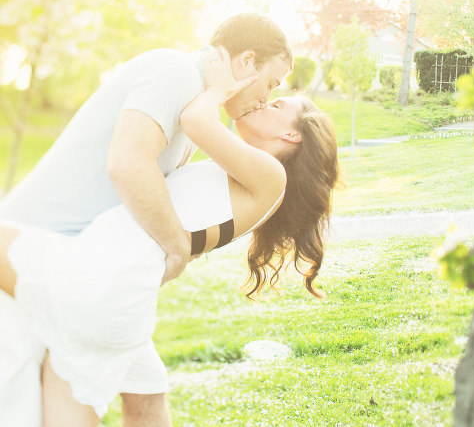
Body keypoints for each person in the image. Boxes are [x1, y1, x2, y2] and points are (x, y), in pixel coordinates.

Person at [0, 48, 340, 427]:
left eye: (277, 103)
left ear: (292, 133)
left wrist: (217, 89)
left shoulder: (271, 175)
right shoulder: (234, 174)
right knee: (141, 395)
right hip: (116, 297)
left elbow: (194, 118)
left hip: (95, 280)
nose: (264, 101)